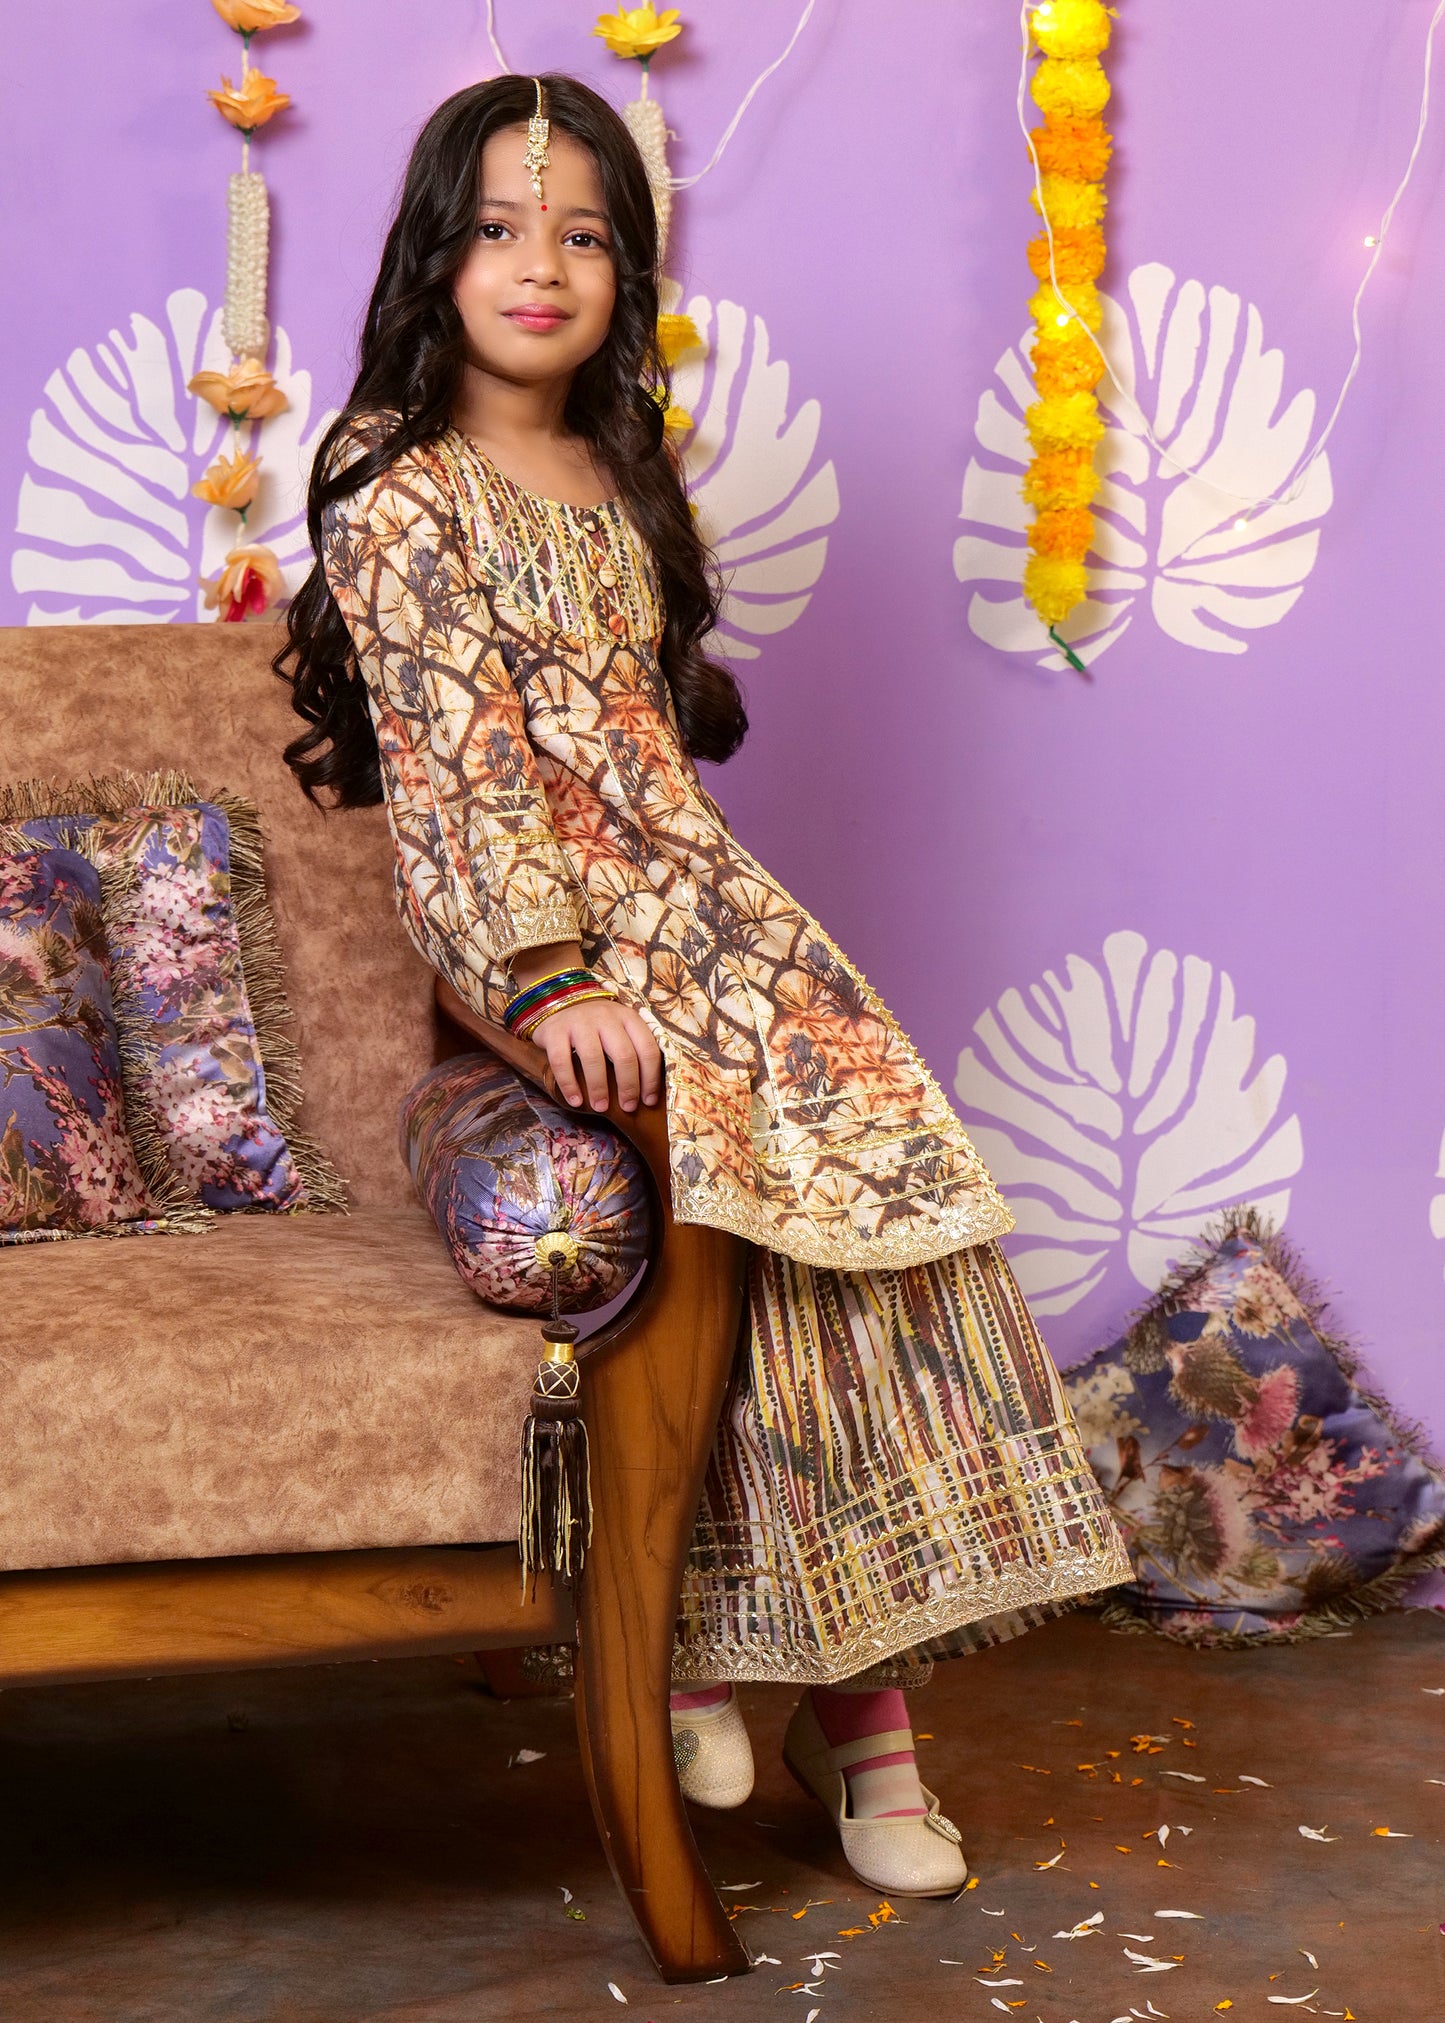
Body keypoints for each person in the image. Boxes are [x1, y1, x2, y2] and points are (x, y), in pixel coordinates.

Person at [278, 72, 1131, 1899]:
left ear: (626, 272)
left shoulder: (616, 468)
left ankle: (854, 1711)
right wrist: (548, 969)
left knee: (873, 1194)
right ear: (436, 254)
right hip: (546, 932)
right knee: (719, 1174)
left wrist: (706, 949)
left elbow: (655, 759)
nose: (540, 266)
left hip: (709, 908)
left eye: (582, 235)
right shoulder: (394, 482)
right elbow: (457, 767)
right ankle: (691, 1647)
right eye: (500, 228)